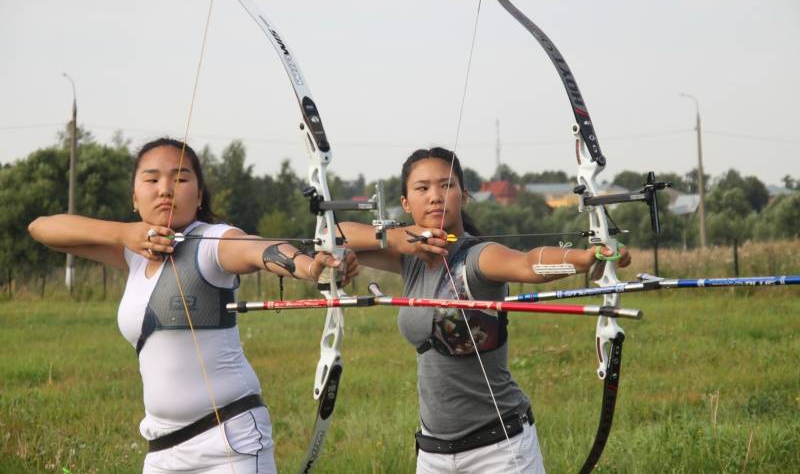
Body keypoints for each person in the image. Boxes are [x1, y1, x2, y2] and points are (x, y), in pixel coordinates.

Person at [28, 137, 357, 474]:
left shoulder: (211, 243)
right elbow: (42, 229)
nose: (165, 189)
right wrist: (123, 233)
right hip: (163, 450)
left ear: (199, 196)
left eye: (181, 178)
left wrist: (308, 267)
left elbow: (259, 249)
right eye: (152, 179)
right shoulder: (132, 252)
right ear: (134, 196)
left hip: (229, 444)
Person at [338, 147, 631, 474]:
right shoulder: (410, 260)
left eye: (446, 186)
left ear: (463, 195)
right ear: (405, 202)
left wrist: (584, 258)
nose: (435, 196)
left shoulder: (478, 257)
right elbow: (336, 236)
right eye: (422, 188)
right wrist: (398, 239)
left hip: (500, 451)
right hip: (433, 453)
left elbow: (528, 263)